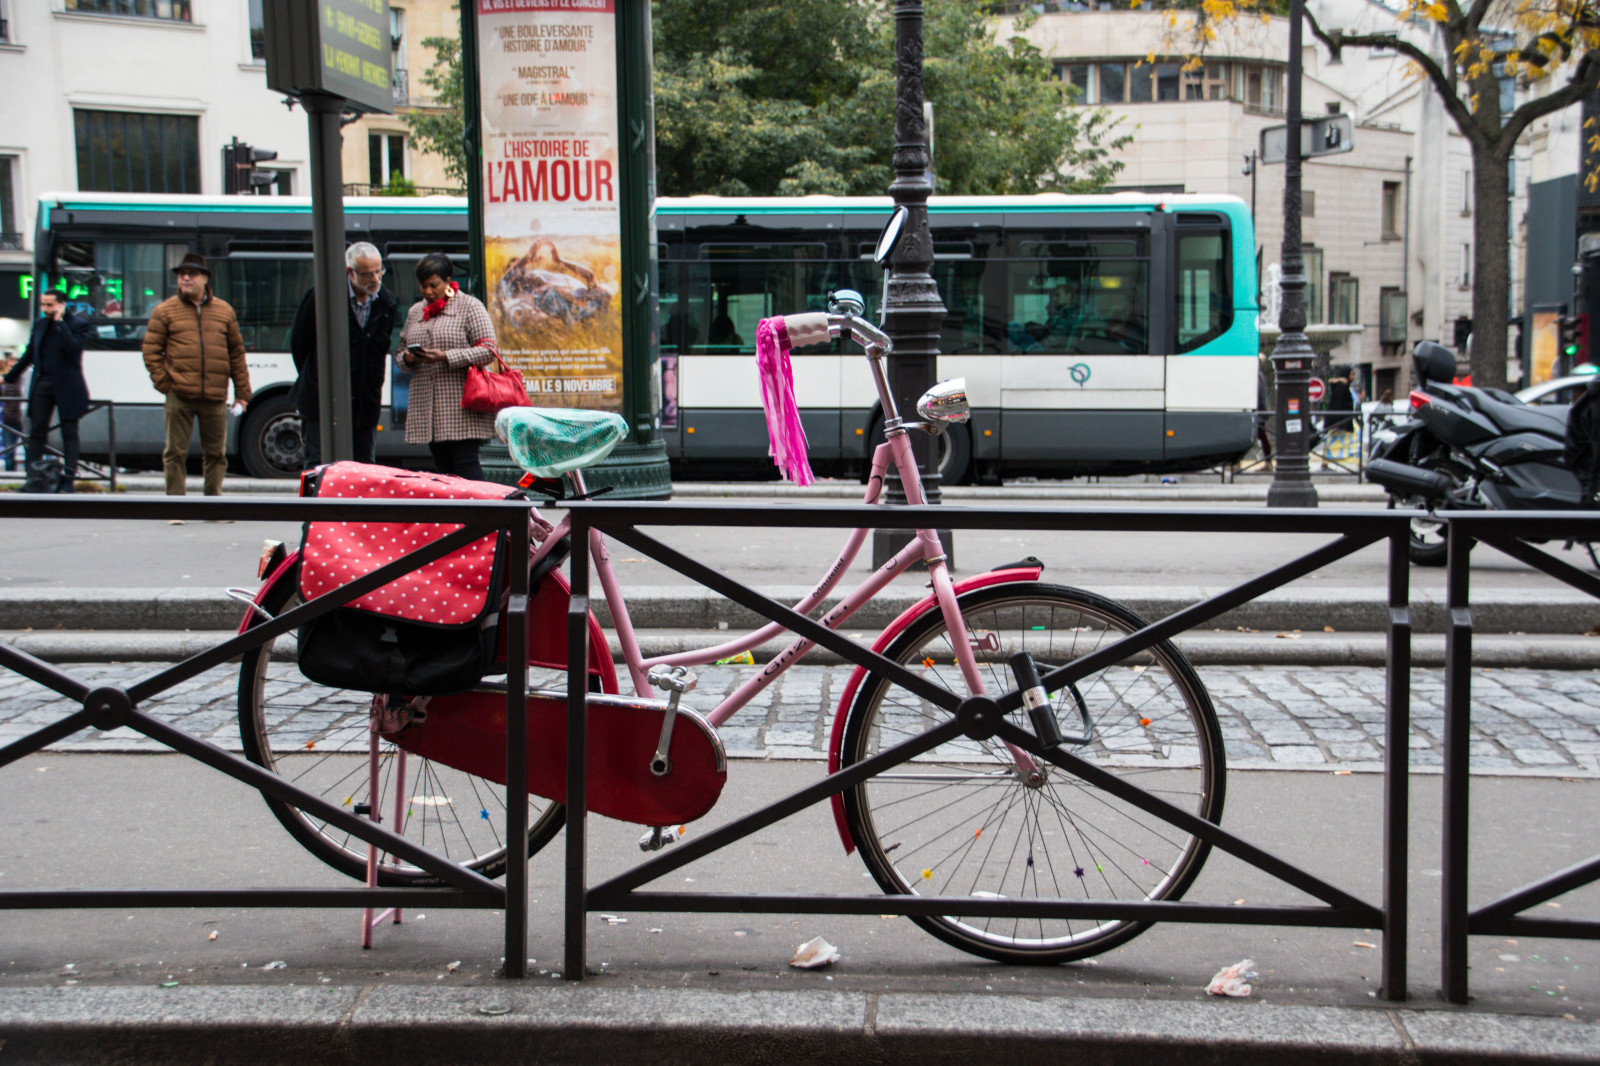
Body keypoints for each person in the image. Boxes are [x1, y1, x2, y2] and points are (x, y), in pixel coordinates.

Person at [141, 253, 253, 507]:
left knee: (216, 454)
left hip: (215, 394)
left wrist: (242, 394)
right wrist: (165, 384)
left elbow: (236, 353)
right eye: (182, 274)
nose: (185, 278)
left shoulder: (224, 311)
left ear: (205, 278)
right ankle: (176, 506)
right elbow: (151, 351)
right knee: (175, 453)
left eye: (192, 274)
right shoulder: (165, 311)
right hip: (179, 393)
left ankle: (212, 506)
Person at [288, 241, 401, 468]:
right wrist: (317, 378)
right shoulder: (321, 297)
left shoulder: (386, 302)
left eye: (379, 271)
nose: (375, 279)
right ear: (350, 272)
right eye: (367, 274)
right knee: (319, 464)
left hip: (365, 400)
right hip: (323, 399)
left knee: (363, 466)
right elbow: (300, 344)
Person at [395, 254, 499, 481]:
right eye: (423, 286)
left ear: (448, 281)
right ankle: (451, 506)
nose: (428, 291)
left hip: (463, 404)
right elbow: (400, 356)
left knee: (465, 463)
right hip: (428, 408)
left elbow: (489, 350)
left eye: (434, 285)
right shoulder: (415, 311)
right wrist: (410, 358)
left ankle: (480, 505)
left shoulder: (469, 306)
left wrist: (446, 356)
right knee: (442, 467)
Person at [4, 290, 92, 491]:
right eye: (43, 304)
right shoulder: (39, 324)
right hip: (42, 383)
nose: (45, 309)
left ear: (62, 304)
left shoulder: (78, 324)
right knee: (36, 432)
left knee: (70, 432)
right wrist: (7, 378)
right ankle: (33, 479)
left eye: (49, 305)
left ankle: (68, 480)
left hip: (68, 386)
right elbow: (29, 354)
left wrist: (60, 323)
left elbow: (73, 348)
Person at [1, 353, 25, 472]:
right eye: (10, 366)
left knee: (29, 450)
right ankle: (10, 477)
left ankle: (32, 476)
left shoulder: (25, 380)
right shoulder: (4, 381)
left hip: (24, 419)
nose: (12, 369)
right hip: (9, 419)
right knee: (9, 452)